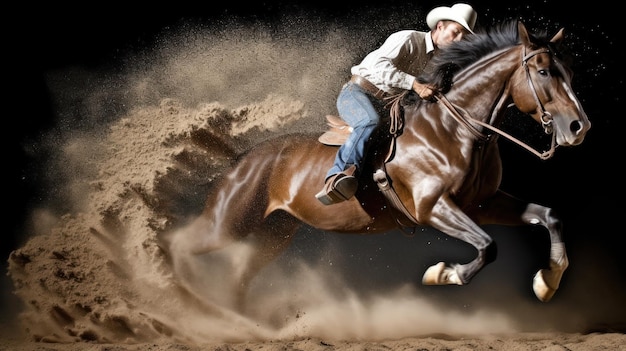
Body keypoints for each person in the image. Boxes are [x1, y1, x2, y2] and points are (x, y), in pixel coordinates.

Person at [315, 3, 478, 205]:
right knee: (368, 122)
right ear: (440, 27)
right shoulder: (409, 39)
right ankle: (337, 176)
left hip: (387, 105)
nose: (459, 40)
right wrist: (415, 84)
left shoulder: (438, 61)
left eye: (464, 36)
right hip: (357, 93)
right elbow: (378, 66)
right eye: (456, 32)